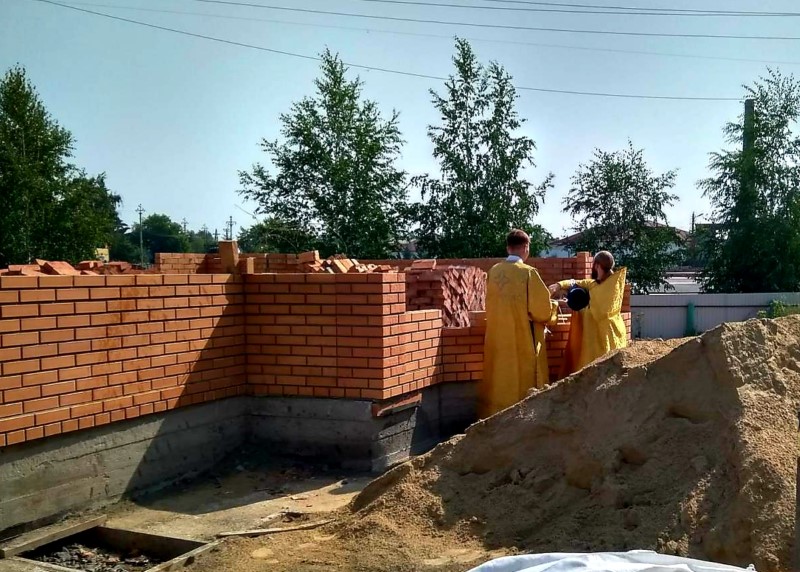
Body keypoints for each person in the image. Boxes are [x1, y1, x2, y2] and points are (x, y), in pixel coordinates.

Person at [479, 229, 559, 418]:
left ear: (508, 248)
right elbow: (541, 311)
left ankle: (493, 416)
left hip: (498, 339)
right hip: (522, 339)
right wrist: (554, 307)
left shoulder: (494, 271)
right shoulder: (528, 273)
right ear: (526, 247)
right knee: (524, 381)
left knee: (500, 379)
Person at [548, 251, 627, 377]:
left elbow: (600, 310)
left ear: (597, 265)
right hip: (598, 336)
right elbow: (575, 282)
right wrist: (559, 285)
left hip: (605, 335)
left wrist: (581, 307)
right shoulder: (597, 284)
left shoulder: (611, 287)